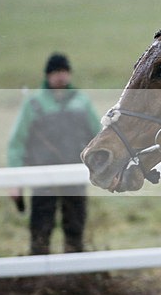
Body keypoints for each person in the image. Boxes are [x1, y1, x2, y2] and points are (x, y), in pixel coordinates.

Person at [7, 53, 102, 255]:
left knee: (75, 230)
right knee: (40, 229)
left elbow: (98, 137)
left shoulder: (81, 102)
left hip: (75, 175)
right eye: (55, 72)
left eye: (63, 72)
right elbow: (17, 144)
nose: (60, 76)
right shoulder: (33, 104)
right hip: (43, 177)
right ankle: (40, 279)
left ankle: (75, 277)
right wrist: (14, 181)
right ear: (48, 75)